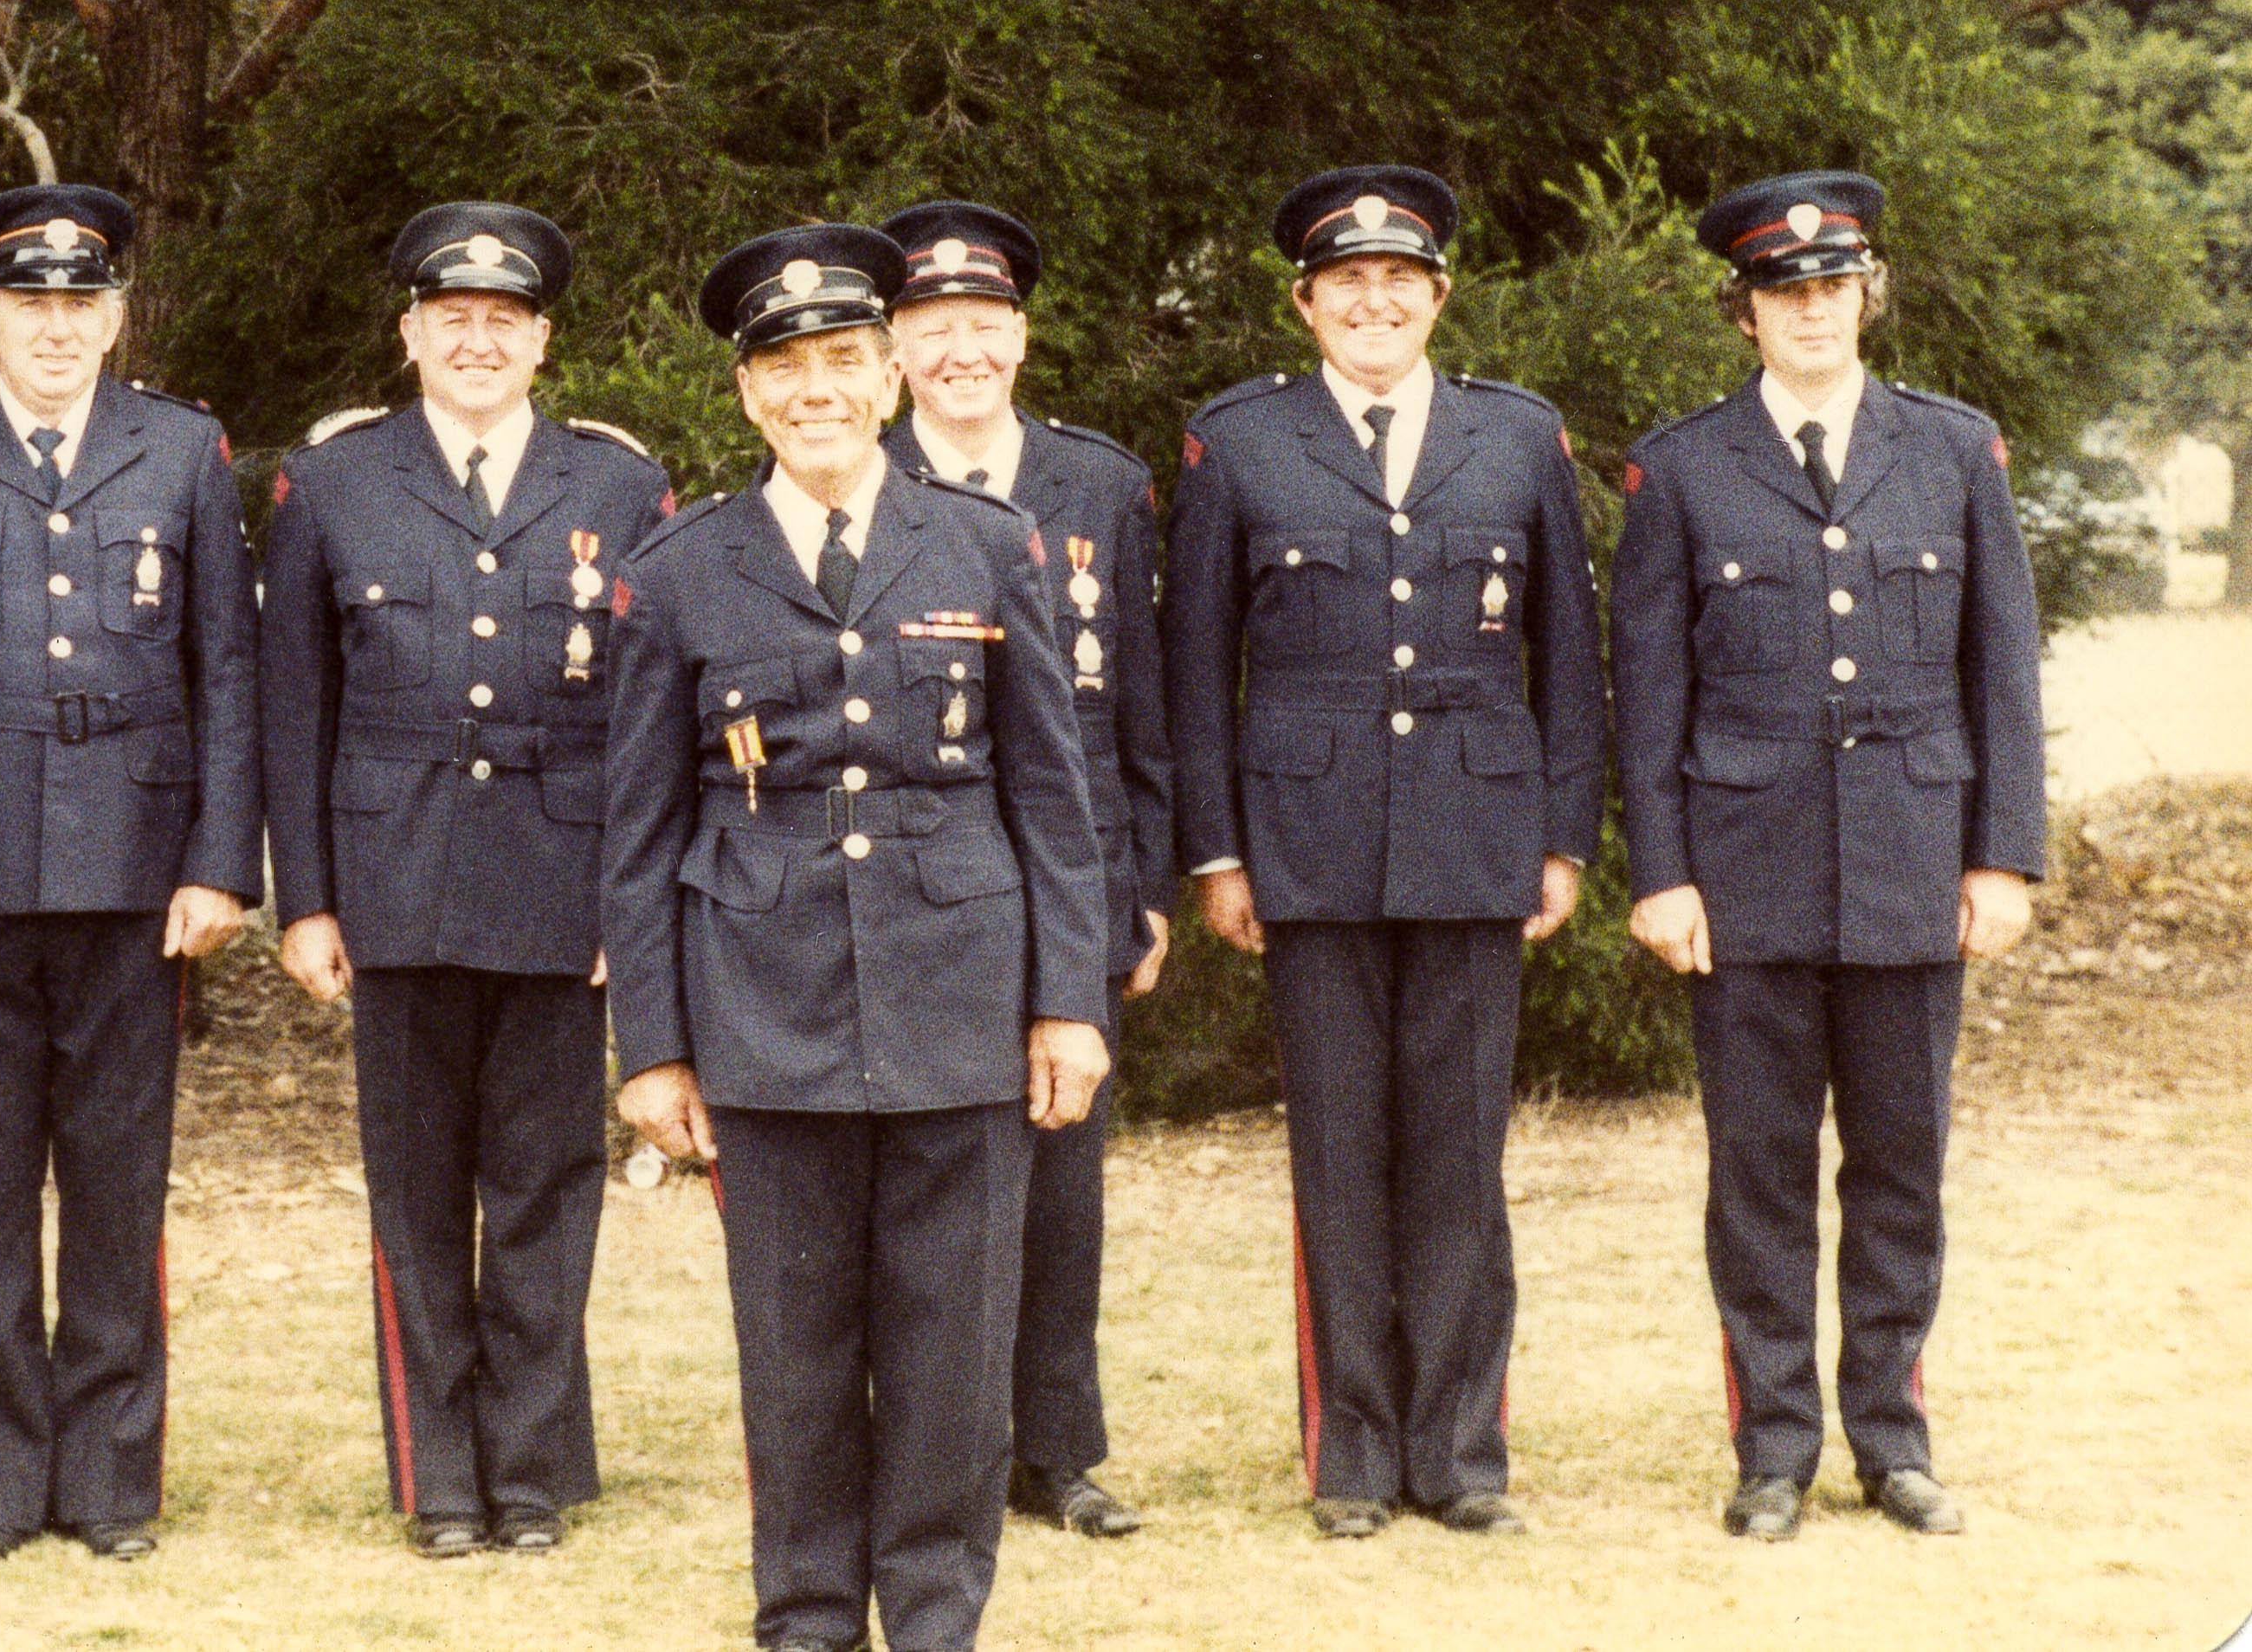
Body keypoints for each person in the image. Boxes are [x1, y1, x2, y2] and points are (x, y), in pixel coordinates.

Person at [605, 223, 1109, 1652]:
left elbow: (1053, 801)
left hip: (962, 997)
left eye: (841, 358)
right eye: (784, 365)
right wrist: (654, 1047)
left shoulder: (989, 543)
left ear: (888, 372)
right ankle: (810, 1616)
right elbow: (637, 834)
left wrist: (1069, 1003)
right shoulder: (681, 569)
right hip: (764, 1012)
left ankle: (938, 1617)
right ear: (749, 391)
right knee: (796, 1352)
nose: (814, 387)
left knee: (955, 1353)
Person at [1160, 165, 1603, 1539]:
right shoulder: (1238, 442)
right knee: (1340, 1152)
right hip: (1309, 842)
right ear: (1306, 302)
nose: (1374, 302)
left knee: (1461, 1152)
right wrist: (1218, 851)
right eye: (1346, 284)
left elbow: (1575, 664)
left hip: (1476, 832)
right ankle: (1354, 1452)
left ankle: (1462, 1452)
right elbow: (1193, 670)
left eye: (1398, 282)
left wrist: (1564, 841)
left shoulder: (1519, 438)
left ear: (1437, 297)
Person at [1607, 171, 2042, 1542]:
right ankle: (1776, 1446)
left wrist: (2003, 860)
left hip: (1915, 861)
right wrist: (1661, 873)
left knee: (1903, 1169)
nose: (1811, 310)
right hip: (1745, 877)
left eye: (1833, 286)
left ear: (1868, 294)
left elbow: (2002, 677)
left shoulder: (1955, 451)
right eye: (1784, 292)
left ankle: (1894, 1438)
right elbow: (1649, 693)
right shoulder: (1681, 467)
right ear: (1747, 312)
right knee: (1759, 1174)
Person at [262, 201, 673, 1558]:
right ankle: (443, 1469)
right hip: (395, 883)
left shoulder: (616, 486)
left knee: (547, 1182)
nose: (478, 343)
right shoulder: (335, 482)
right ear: (411, 334)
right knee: (418, 1186)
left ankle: (533, 1464)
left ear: (542, 338)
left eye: (505, 321)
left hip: (561, 887)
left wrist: (632, 900)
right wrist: (307, 899)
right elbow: (293, 708)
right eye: (454, 320)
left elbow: (648, 719)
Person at [0, 184, 261, 1565]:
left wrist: (222, 863)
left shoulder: (180, 448)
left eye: (79, 305)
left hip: (137, 877)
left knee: (115, 1185)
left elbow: (228, 667)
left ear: (114, 317)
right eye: (26, 305)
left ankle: (108, 1479)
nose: (53, 329)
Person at [875, 199, 1175, 1540]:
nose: (961, 350)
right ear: (890, 348)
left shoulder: (1099, 484)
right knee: (920, 1177)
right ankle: (926, 1446)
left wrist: (1147, 882)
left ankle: (1056, 1448)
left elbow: (1146, 710)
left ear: (1022, 336)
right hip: (912, 882)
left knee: (1063, 1179)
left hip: (1073, 873)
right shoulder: (845, 470)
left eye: (983, 324)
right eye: (933, 327)